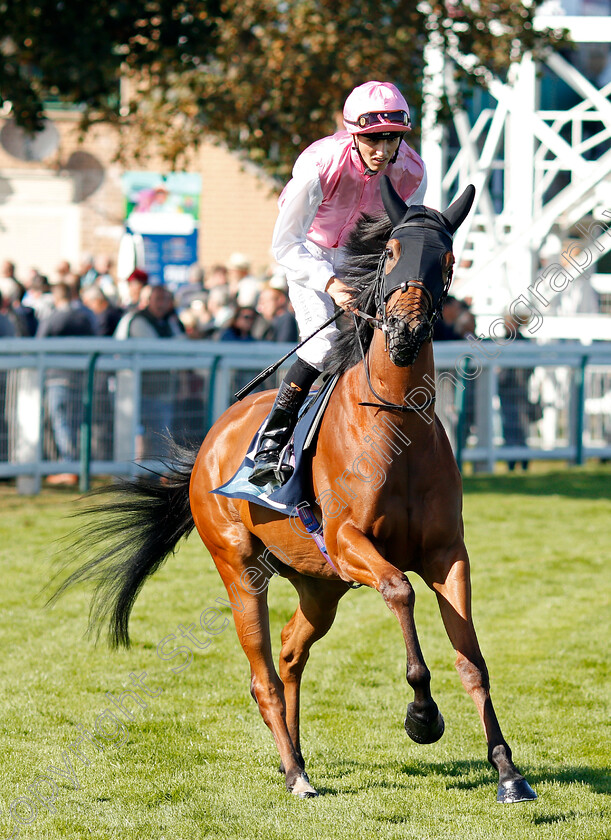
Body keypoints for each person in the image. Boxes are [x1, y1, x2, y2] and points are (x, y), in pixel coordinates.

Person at [249, 80, 427, 486]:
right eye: (372, 139)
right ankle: (271, 444)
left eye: (392, 139)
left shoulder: (413, 172)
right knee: (324, 344)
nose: (383, 151)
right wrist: (330, 283)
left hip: (365, 257)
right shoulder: (318, 168)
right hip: (310, 254)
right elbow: (285, 245)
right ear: (353, 134)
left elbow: (407, 237)